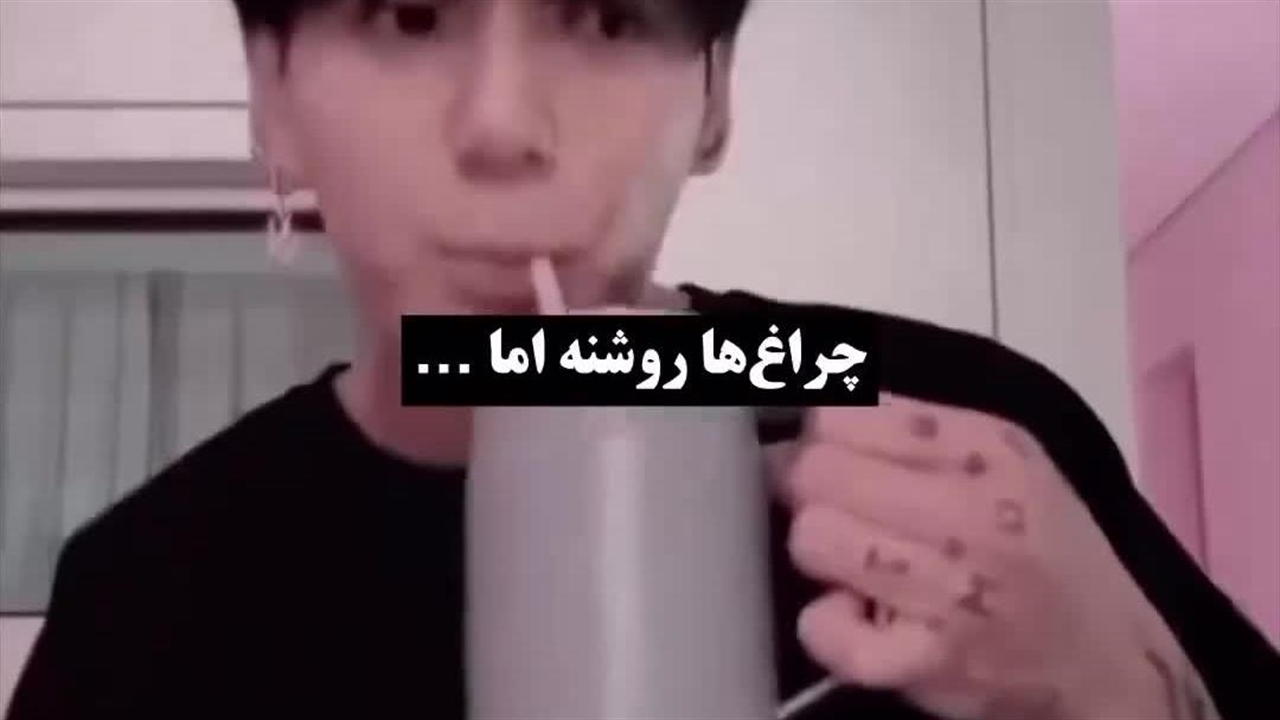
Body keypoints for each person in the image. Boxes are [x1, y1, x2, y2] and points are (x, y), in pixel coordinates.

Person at [9, 1, 1278, 718]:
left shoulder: (955, 425)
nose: (501, 126)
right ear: (270, 97)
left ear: (713, 100)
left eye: (607, 15)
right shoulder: (147, 593)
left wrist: (1113, 689)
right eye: (408, 15)